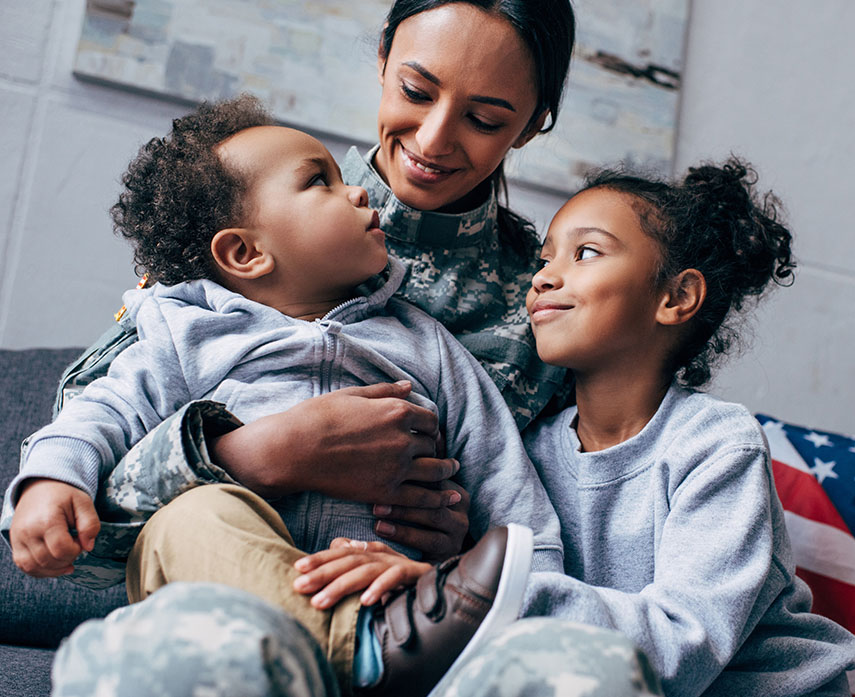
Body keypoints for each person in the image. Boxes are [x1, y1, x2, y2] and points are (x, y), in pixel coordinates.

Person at [5, 94, 558, 696]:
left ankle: (359, 648)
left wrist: (526, 594)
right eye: (320, 182)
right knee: (190, 516)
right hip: (229, 624)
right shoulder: (186, 333)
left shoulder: (425, 342)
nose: (359, 193)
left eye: (487, 116)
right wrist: (51, 480)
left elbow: (505, 481)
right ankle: (355, 646)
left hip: (383, 591)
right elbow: (103, 411)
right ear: (245, 253)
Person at [296, 159, 855, 696]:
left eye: (586, 252)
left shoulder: (715, 444)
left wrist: (464, 593)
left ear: (676, 296)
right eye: (545, 259)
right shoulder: (526, 454)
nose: (544, 278)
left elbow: (681, 646)